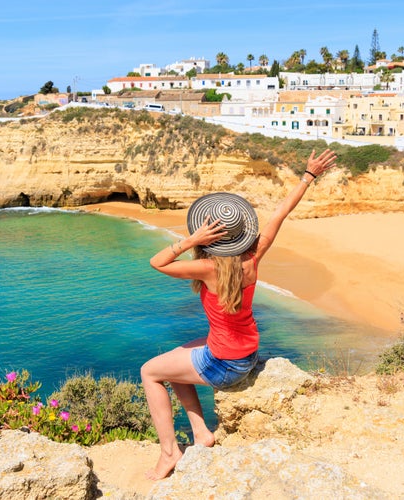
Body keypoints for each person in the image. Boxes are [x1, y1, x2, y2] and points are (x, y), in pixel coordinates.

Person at [141, 148, 338, 480]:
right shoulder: (253, 257)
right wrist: (309, 175)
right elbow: (279, 214)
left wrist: (191, 239)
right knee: (176, 356)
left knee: (149, 372)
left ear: (212, 240)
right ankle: (201, 433)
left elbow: (157, 262)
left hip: (225, 364)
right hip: (247, 352)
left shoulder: (206, 267)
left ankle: (169, 452)